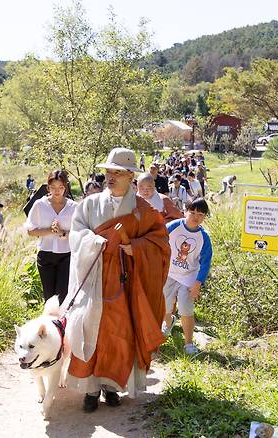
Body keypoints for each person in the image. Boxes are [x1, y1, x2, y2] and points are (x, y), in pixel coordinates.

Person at [62, 147, 170, 413]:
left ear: (130, 176)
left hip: (125, 282)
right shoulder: (89, 203)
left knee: (120, 334)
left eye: (117, 173)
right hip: (94, 278)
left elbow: (160, 243)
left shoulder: (143, 211)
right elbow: (76, 234)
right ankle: (90, 389)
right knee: (91, 330)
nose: (110, 177)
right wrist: (94, 241)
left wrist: (136, 247)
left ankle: (112, 387)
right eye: (108, 172)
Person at [161, 198, 213, 355]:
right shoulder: (173, 227)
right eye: (192, 212)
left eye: (200, 214)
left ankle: (188, 343)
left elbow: (205, 263)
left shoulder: (204, 238)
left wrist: (198, 283)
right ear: (186, 211)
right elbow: (157, 241)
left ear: (205, 217)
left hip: (189, 277)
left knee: (185, 308)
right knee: (165, 304)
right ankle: (168, 324)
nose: (195, 216)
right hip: (169, 273)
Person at [25, 170, 77, 304]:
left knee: (63, 296)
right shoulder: (40, 205)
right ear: (48, 188)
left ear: (65, 187)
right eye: (53, 187)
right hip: (46, 255)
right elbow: (31, 230)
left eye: (60, 187)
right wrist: (50, 230)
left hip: (66, 255)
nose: (57, 191)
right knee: (49, 297)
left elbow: (79, 232)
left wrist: (63, 233)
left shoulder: (74, 207)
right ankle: (50, 324)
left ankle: (63, 324)